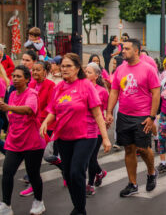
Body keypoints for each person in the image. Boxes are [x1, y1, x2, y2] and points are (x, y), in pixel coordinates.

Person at [39, 53, 112, 215]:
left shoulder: (86, 85)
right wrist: (45, 122)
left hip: (86, 135)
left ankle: (80, 210)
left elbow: (97, 114)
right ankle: (77, 206)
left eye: (68, 66)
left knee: (76, 172)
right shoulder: (59, 87)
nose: (64, 69)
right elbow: (53, 110)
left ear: (77, 68)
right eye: (62, 66)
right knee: (67, 174)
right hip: (64, 136)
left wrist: (105, 138)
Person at [106, 38, 160, 197]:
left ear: (137, 51)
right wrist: (109, 112)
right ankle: (133, 184)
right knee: (129, 149)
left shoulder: (148, 69)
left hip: (142, 116)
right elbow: (114, 91)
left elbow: (156, 93)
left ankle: (151, 172)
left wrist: (152, 116)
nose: (123, 51)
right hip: (124, 115)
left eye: (127, 49)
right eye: (123, 48)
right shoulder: (120, 69)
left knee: (143, 148)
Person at [0, 65, 46, 215]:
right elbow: (11, 117)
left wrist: (8, 107)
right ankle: (6, 205)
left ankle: (39, 202)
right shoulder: (12, 95)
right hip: (14, 141)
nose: (14, 78)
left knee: (33, 174)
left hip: (32, 143)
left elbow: (29, 109)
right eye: (13, 76)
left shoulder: (31, 93)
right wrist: (8, 132)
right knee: (7, 172)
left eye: (19, 76)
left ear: (27, 79)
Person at [20, 61, 58, 197]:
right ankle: (64, 168)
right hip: (31, 125)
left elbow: (50, 108)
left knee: (38, 156)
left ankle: (32, 182)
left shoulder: (51, 86)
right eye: (33, 70)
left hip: (45, 125)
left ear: (45, 72)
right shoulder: (30, 85)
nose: (35, 73)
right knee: (36, 155)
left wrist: (40, 120)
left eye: (38, 70)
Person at [85, 62, 109, 196]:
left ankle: (90, 184)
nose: (86, 74)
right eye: (85, 72)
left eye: (89, 72)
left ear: (97, 75)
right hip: (84, 127)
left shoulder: (102, 91)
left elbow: (104, 109)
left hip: (98, 128)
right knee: (88, 157)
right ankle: (100, 172)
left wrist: (107, 121)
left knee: (91, 157)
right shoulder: (82, 88)